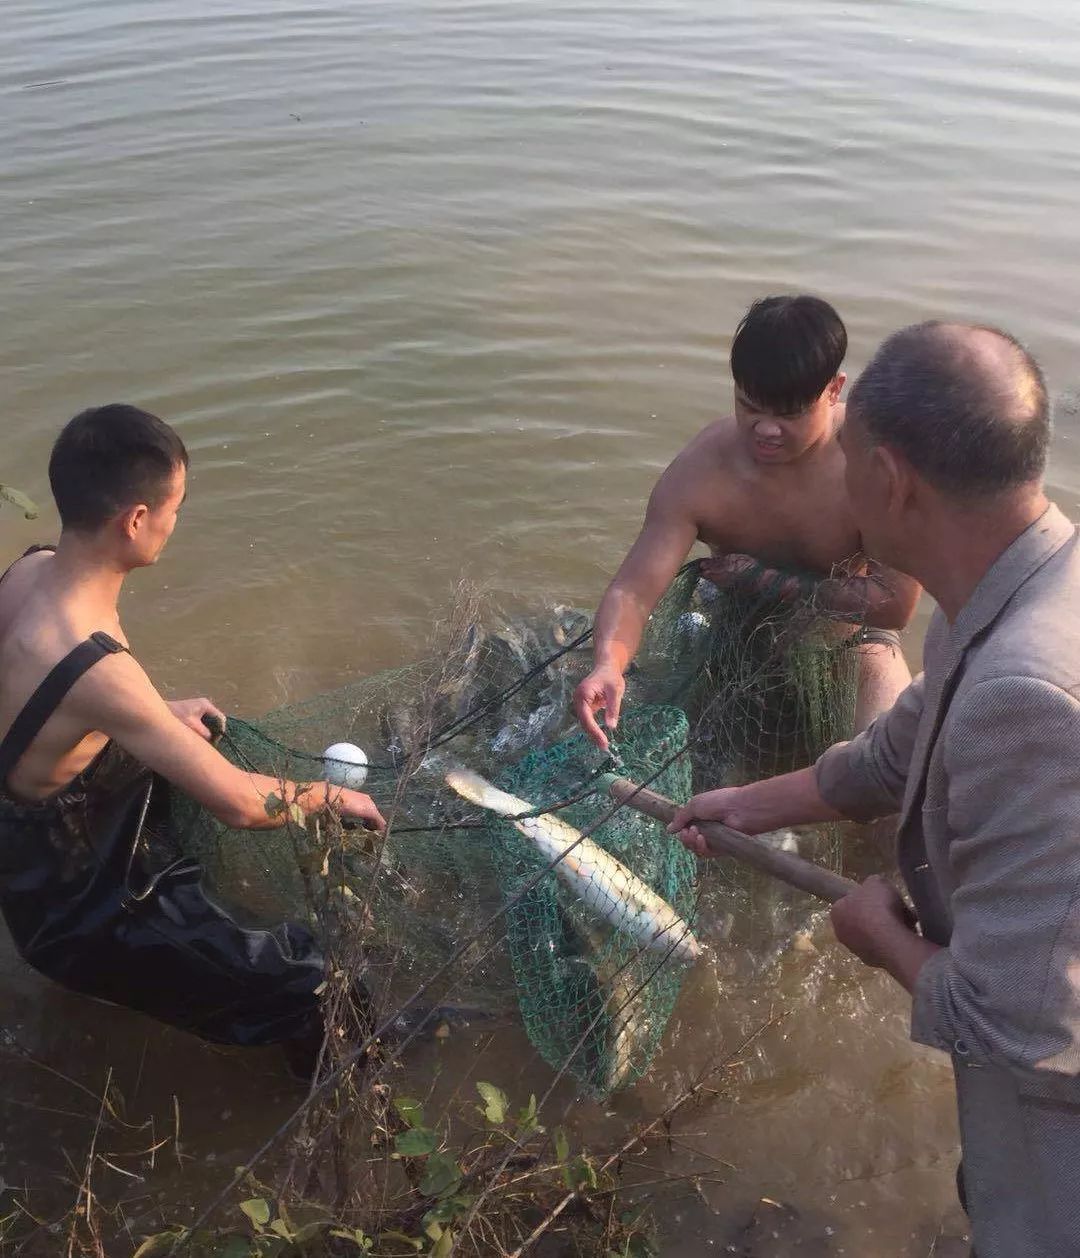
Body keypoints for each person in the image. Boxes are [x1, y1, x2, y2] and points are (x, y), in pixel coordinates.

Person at [670, 322, 1079, 1257]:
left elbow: (1007, 1021)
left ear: (889, 481)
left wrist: (877, 934)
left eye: (847, 461)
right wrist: (746, 805)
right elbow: (893, 755)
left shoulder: (1031, 694)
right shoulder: (1027, 586)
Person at [0, 404, 386, 1070]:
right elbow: (240, 804)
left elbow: (39, 698)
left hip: (29, 845)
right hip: (78, 906)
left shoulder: (29, 573)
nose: (176, 524)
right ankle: (353, 1099)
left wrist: (154, 714)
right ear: (136, 521)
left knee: (180, 742)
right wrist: (328, 798)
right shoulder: (98, 669)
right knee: (318, 984)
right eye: (174, 508)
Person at [574, 295, 919, 754]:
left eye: (790, 413)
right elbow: (634, 592)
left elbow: (895, 605)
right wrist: (608, 664)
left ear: (834, 390)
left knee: (889, 760)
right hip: (734, 640)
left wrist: (765, 580)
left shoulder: (874, 465)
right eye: (750, 407)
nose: (766, 430)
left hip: (852, 645)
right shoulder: (703, 470)